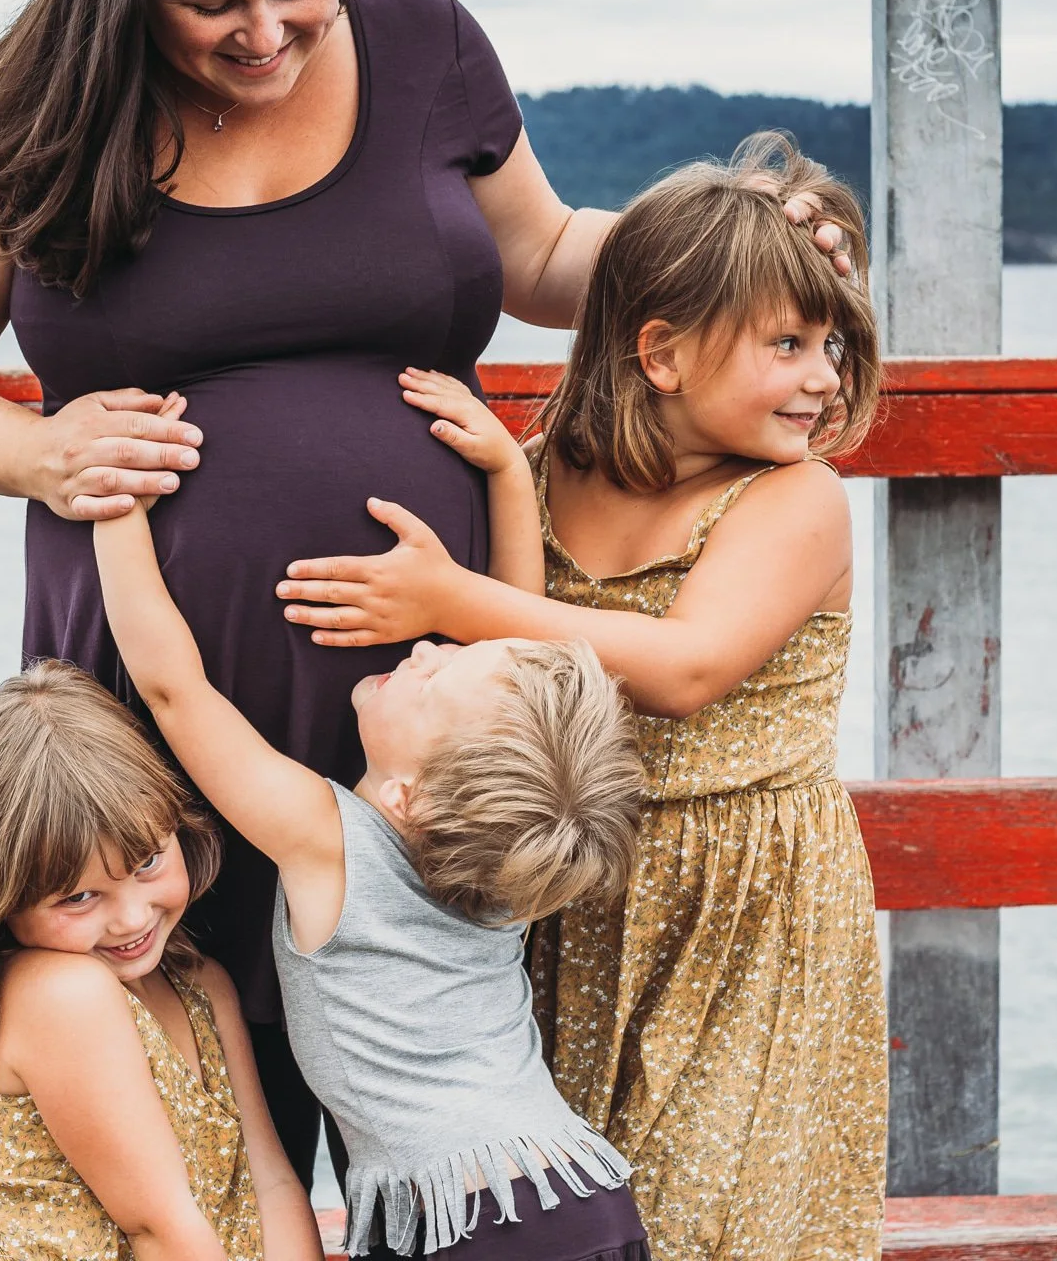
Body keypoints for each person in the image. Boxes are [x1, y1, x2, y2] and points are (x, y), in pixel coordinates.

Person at [0, 0, 847, 1170]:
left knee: (436, 1094)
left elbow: (546, 253)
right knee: (188, 1100)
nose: (266, 34)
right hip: (156, 681)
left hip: (428, 715)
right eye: (213, 3)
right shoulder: (22, 101)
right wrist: (40, 449)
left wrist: (738, 243)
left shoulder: (424, 42)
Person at [274, 133, 889, 1259]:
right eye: (790, 343)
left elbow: (687, 668)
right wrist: (502, 479)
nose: (825, 378)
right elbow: (528, 644)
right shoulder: (557, 463)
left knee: (719, 1208)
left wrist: (447, 597)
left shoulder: (797, 500)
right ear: (662, 353)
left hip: (738, 908)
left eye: (833, 345)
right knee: (573, 1202)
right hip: (560, 888)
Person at [89, 493, 651, 1260]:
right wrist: (506, 480)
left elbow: (173, 693)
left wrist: (114, 505)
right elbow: (513, 642)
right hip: (582, 1198)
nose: (426, 652)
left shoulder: (330, 843)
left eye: (433, 683)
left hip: (469, 1226)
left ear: (408, 798)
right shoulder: (510, 872)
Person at [0, 661, 319, 1261]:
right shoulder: (60, 994)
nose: (130, 918)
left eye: (147, 862)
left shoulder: (203, 987)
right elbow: (158, 1229)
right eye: (78, 897)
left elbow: (271, 1183)